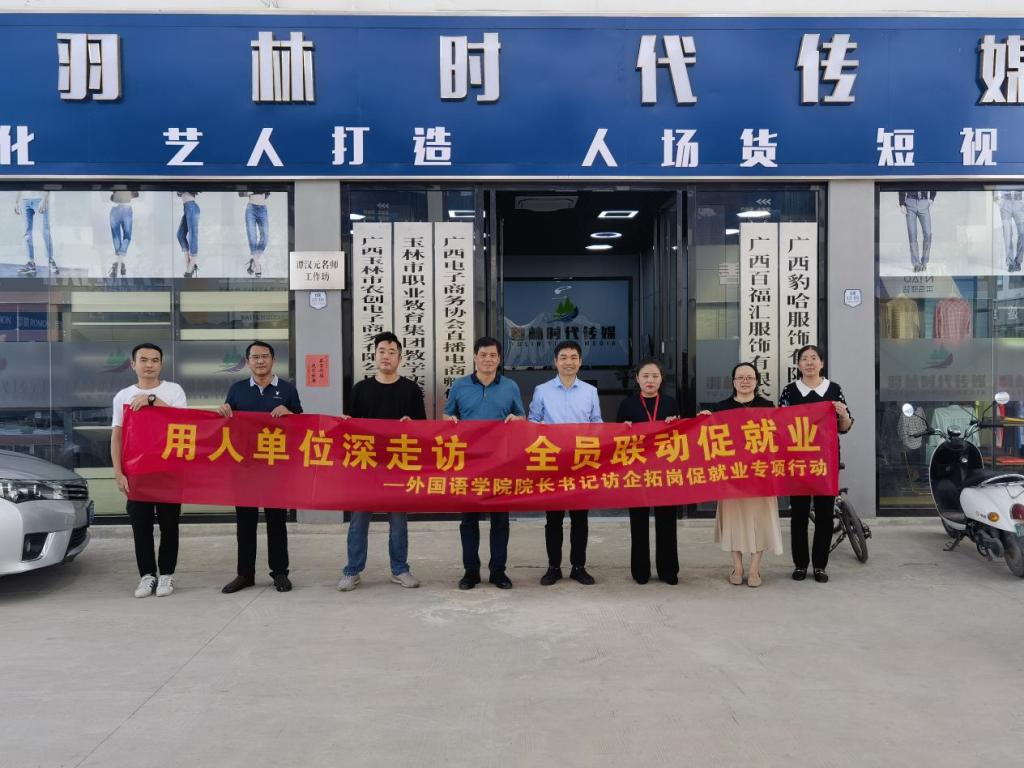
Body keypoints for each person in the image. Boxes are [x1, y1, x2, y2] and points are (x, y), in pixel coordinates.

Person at [337, 332, 425, 591]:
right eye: (382, 351)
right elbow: (351, 427)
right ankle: (352, 570)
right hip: (366, 467)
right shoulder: (361, 389)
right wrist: (345, 423)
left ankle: (400, 569)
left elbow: (423, 429)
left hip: (397, 466)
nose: (386, 356)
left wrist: (411, 425)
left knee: (398, 523)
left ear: (400, 357)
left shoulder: (411, 390)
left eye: (392, 352)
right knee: (358, 522)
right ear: (374, 355)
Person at [217, 340, 302, 594]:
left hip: (276, 467)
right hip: (245, 468)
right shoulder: (237, 390)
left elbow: (301, 425)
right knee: (245, 523)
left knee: (277, 522)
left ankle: (280, 573)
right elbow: (227, 425)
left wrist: (290, 413)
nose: (260, 361)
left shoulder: (287, 390)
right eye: (255, 357)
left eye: (265, 356)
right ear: (248, 362)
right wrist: (223, 412)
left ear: (273, 360)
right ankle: (245, 574)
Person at [444, 336, 525, 590]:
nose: (488, 360)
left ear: (499, 359)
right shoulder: (459, 386)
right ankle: (471, 571)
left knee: (500, 521)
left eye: (493, 355)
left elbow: (522, 416)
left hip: (501, 463)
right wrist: (450, 421)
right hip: (469, 463)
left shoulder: (510, 386)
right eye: (483, 355)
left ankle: (498, 571)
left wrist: (517, 420)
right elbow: (447, 416)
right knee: (468, 521)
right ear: (474, 358)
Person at [110, 343, 187, 598]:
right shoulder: (123, 396)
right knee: (141, 527)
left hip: (168, 471)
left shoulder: (174, 390)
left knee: (169, 526)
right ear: (133, 364)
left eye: (155, 360)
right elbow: (117, 436)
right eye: (143, 360)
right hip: (137, 473)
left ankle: (166, 575)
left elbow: (183, 423)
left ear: (161, 364)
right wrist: (118, 472)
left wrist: (152, 400)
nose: (149, 364)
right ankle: (147, 576)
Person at [699, 362, 783, 588]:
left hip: (760, 475)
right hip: (732, 477)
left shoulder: (768, 407)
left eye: (750, 377)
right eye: (740, 377)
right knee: (733, 523)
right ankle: (737, 566)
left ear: (757, 381)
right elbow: (708, 440)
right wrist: (703, 420)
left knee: (761, 522)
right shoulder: (720, 408)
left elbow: (778, 437)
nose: (745, 381)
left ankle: (755, 568)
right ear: (733, 381)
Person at [528, 340, 602, 586]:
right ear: (555, 361)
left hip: (581, 462)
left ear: (580, 362)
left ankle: (579, 567)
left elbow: (597, 421)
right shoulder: (542, 390)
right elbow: (532, 420)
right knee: (554, 519)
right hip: (553, 463)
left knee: (580, 519)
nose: (568, 362)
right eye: (563, 358)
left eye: (573, 358)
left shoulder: (590, 391)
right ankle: (553, 567)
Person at [778, 345, 854, 584]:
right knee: (798, 514)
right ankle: (800, 564)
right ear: (798, 365)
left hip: (825, 461)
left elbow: (844, 427)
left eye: (814, 358)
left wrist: (843, 414)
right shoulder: (790, 391)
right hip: (798, 461)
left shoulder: (833, 389)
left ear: (822, 363)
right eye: (804, 359)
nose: (809, 362)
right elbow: (779, 425)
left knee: (824, 514)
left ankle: (820, 565)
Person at [616, 358, 681, 585]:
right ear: (637, 379)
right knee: (639, 522)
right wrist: (623, 429)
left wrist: (675, 423)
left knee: (667, 522)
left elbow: (681, 436)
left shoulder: (671, 404)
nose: (650, 380)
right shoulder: (628, 405)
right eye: (645, 376)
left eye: (655, 376)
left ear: (661, 379)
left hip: (665, 471)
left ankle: (668, 570)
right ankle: (640, 571)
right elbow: (616, 440)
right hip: (638, 471)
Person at [14, 191, 58, 275]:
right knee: (27, 233)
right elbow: (19, 186)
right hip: (25, 200)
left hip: (39, 199)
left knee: (45, 231)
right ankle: (31, 264)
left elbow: (48, 184)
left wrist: (44, 199)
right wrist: (17, 202)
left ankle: (51, 260)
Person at [897, 190, 936, 273]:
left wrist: (932, 198)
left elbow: (933, 182)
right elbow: (902, 184)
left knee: (928, 234)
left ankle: (924, 261)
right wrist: (902, 203)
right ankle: (916, 264)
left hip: (923, 202)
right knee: (912, 234)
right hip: (910, 202)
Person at [109, 190, 139, 278]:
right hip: (124, 208)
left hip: (118, 208)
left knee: (118, 236)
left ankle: (119, 263)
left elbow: (136, 194)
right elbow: (136, 194)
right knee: (124, 235)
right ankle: (120, 263)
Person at [177, 191, 200, 277]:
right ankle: (188, 262)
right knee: (180, 235)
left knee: (192, 235)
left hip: (191, 207)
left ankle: (192, 262)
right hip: (187, 208)